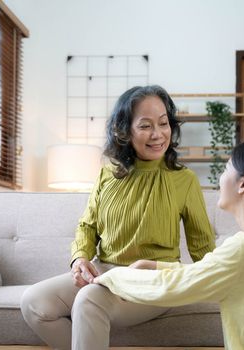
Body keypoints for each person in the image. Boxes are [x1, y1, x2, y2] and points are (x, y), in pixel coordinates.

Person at [20, 85, 215, 350]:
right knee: (33, 302)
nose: (158, 134)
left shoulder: (184, 180)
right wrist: (80, 259)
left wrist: (220, 282)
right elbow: (87, 226)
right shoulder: (107, 174)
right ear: (124, 131)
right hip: (106, 273)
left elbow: (203, 247)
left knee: (89, 299)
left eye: (163, 123)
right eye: (145, 126)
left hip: (153, 280)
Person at [96, 139, 244, 350]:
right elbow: (208, 271)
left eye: (225, 169)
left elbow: (174, 287)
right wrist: (154, 265)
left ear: (243, 184)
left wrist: (108, 277)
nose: (220, 179)